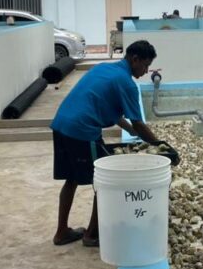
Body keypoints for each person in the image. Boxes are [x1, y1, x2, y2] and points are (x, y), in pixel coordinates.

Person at [50, 39, 163, 247]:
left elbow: (110, 109)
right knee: (104, 183)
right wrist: (160, 146)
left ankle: (61, 232)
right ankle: (92, 235)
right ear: (135, 59)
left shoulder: (104, 68)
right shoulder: (127, 83)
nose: (146, 71)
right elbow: (139, 123)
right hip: (82, 131)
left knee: (71, 179)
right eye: (146, 65)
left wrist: (130, 130)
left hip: (61, 124)